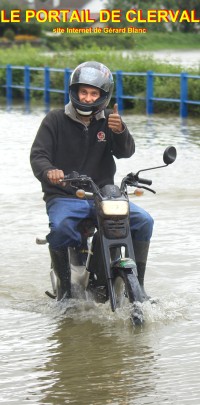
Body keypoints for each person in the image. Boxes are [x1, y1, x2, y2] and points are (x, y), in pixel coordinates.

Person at [30, 61, 154, 301]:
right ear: (74, 92)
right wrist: (50, 171)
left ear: (103, 95)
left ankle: (139, 287)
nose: (87, 98)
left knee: (144, 221)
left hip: (104, 195)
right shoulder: (54, 120)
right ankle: (65, 293)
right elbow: (38, 155)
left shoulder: (110, 120)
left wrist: (120, 131)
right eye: (83, 92)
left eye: (93, 93)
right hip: (65, 195)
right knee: (61, 227)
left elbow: (126, 152)